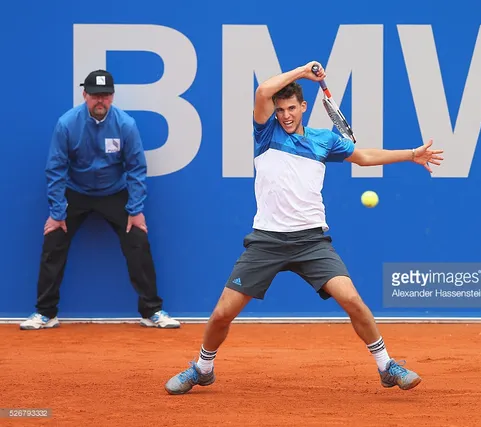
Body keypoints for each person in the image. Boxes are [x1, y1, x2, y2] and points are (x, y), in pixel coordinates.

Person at [164, 61, 443, 394]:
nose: (285, 114)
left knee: (352, 300)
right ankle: (202, 368)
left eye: (291, 108)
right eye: (280, 109)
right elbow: (262, 91)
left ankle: (387, 366)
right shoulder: (266, 133)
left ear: (304, 107)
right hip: (266, 241)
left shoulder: (323, 141)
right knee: (223, 313)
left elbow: (364, 156)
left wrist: (412, 154)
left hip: (312, 242)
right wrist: (301, 73)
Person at [20, 69, 180, 330]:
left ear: (113, 97)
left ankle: (152, 311)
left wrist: (135, 209)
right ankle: (45, 313)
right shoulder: (67, 124)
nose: (100, 101)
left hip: (114, 193)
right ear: (85, 95)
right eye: (95, 95)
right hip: (76, 193)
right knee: (54, 239)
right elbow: (56, 169)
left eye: (105, 96)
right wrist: (58, 212)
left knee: (138, 239)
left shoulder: (125, 125)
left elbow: (136, 168)